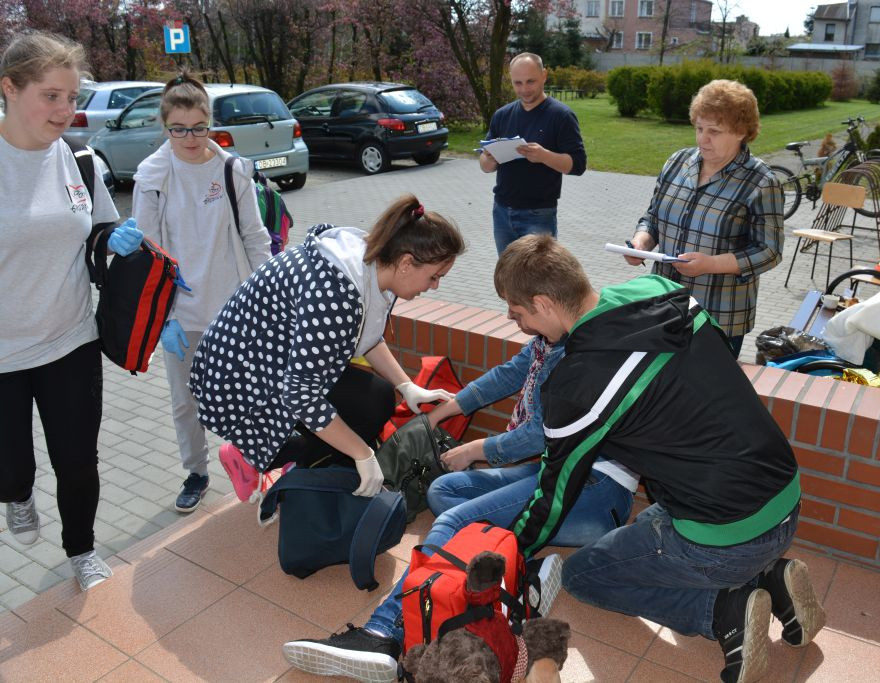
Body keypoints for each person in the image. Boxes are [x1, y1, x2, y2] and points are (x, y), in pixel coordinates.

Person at [497, 235, 826, 683]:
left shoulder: (577, 385)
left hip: (724, 537)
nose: (516, 323)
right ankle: (771, 577)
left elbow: (554, 495)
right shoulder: (660, 291)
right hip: (784, 498)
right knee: (649, 522)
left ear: (543, 304)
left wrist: (512, 553)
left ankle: (723, 611)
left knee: (584, 576)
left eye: (518, 314)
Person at [281, 312, 638, 682]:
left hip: (595, 487)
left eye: (516, 310)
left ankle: (383, 631)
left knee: (455, 520)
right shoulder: (545, 342)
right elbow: (504, 376)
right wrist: (437, 415)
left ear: (542, 304)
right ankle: (516, 571)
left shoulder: (575, 352)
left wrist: (473, 450)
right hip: (560, 469)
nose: (511, 316)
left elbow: (536, 435)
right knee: (444, 490)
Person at [188, 194, 464, 504]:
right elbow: (299, 394)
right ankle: (257, 457)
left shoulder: (370, 263)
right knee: (348, 429)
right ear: (405, 263)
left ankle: (306, 465)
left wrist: (406, 386)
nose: (435, 286)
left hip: (270, 361)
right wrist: (362, 453)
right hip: (237, 379)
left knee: (377, 398)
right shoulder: (334, 294)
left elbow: (368, 335)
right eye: (434, 276)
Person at [0, 31, 144, 591]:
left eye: (72, 97)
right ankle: (16, 493)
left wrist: (114, 240)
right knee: (11, 466)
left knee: (79, 461)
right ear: (10, 89)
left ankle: (81, 550)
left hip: (70, 339)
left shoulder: (78, 160)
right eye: (51, 96)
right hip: (2, 353)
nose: (66, 111)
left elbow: (101, 227)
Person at [132, 72, 272, 513]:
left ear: (210, 122)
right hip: (181, 313)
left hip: (234, 308)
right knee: (185, 402)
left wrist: (268, 294)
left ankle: (254, 462)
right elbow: (148, 252)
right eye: (179, 129)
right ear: (165, 127)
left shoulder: (231, 170)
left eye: (198, 127)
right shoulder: (152, 177)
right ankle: (196, 471)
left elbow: (255, 237)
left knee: (247, 393)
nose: (190, 138)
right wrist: (165, 317)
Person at [625, 79, 784, 359]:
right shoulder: (677, 162)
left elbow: (769, 251)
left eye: (714, 131)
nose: (702, 139)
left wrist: (710, 264)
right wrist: (641, 243)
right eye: (699, 128)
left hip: (718, 317)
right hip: (663, 305)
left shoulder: (761, 181)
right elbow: (653, 217)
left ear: (741, 132)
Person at [480, 52, 586, 254]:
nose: (524, 89)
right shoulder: (502, 115)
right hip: (501, 211)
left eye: (530, 81)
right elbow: (484, 165)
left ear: (544, 75)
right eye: (517, 83)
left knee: (539, 274)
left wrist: (544, 156)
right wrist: (490, 159)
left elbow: (578, 165)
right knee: (506, 273)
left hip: (539, 214)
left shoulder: (562, 116)